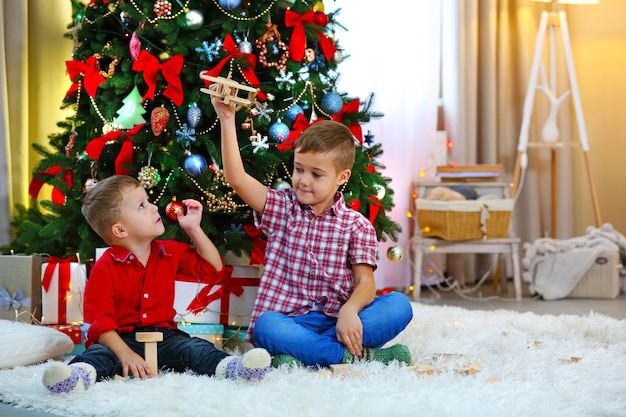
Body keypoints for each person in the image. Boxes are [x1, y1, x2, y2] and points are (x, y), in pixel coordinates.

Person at [211, 93, 414, 368]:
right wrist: (226, 119)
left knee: (400, 306)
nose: (303, 181)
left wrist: (350, 311)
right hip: (291, 322)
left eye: (316, 174)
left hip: (339, 320)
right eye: (298, 169)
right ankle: (358, 358)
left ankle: (301, 355)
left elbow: (366, 283)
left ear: (342, 177)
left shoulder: (357, 226)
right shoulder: (281, 207)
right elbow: (237, 179)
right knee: (267, 326)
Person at [42, 175, 271, 394]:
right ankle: (75, 377)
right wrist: (125, 354)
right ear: (120, 230)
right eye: (142, 205)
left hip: (166, 338)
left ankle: (236, 369)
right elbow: (100, 323)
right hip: (121, 339)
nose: (154, 207)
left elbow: (213, 270)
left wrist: (194, 229)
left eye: (148, 201)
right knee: (100, 355)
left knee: (195, 349)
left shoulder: (170, 252)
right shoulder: (105, 268)